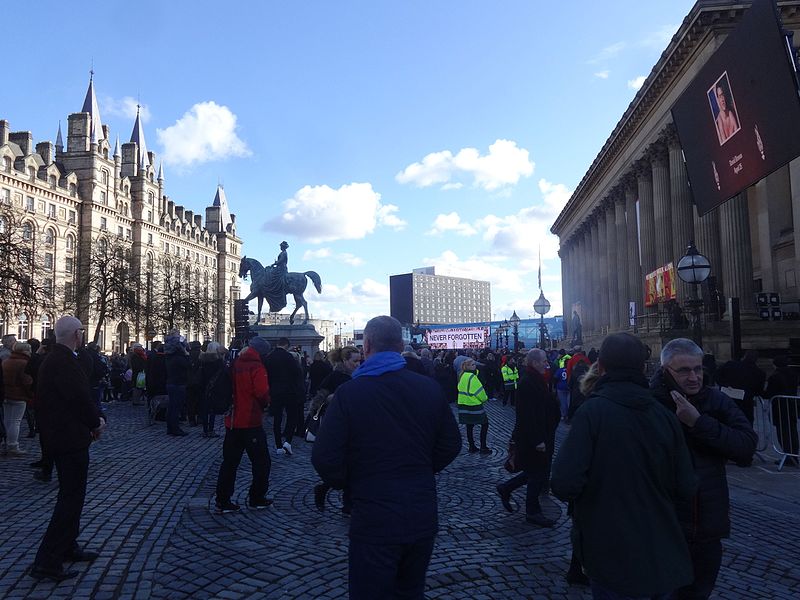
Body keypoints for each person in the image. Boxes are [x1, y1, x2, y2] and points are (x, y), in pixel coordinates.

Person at [311, 316, 461, 600]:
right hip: (421, 513)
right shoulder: (428, 388)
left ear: (366, 346)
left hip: (373, 516)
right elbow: (451, 444)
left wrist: (353, 483)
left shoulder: (350, 393)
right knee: (410, 591)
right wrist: (421, 468)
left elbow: (324, 457)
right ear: (402, 345)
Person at [551, 333, 696, 598]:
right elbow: (686, 485)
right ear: (643, 368)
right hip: (659, 544)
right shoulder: (665, 415)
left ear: (602, 367)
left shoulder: (592, 413)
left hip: (608, 547)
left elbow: (563, 482)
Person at [650, 338, 757, 599]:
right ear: (666, 371)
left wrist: (698, 423)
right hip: (665, 527)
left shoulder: (716, 400)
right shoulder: (651, 405)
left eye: (698, 369)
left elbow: (746, 445)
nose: (694, 377)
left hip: (707, 525)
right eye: (684, 371)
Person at [30, 316, 105, 582]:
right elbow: (79, 397)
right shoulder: (63, 361)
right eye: (82, 332)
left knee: (73, 496)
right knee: (69, 500)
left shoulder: (56, 358)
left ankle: (67, 546)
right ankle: (47, 561)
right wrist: (96, 422)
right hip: (67, 439)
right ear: (77, 334)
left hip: (62, 436)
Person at [496, 349, 560, 527]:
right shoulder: (527, 382)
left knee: (534, 471)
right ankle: (532, 511)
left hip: (542, 433)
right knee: (538, 473)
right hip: (534, 436)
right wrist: (537, 440)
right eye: (543, 361)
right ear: (534, 362)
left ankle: (506, 488)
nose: (546, 364)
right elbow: (527, 415)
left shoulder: (537, 379)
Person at [214, 336, 272, 513]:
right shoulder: (256, 366)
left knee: (229, 463)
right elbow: (262, 392)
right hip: (250, 420)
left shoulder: (234, 363)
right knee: (262, 462)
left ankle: (222, 500)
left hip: (232, 421)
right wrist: (266, 403)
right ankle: (257, 497)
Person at [310, 345, 361, 512]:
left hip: (355, 425)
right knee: (346, 465)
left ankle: (347, 503)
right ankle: (327, 490)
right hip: (338, 426)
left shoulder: (359, 376)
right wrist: (332, 399)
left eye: (359, 360)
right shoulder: (334, 377)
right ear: (345, 361)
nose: (358, 364)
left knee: (353, 464)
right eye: (355, 361)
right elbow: (317, 402)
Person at [265, 336, 304, 456]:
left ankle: (278, 445)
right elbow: (298, 374)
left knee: (277, 419)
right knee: (292, 416)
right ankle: (288, 441)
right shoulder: (289, 357)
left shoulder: (269, 357)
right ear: (287, 345)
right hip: (290, 391)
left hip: (275, 391)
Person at [764, 355, 799, 467]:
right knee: (792, 430)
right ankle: (794, 454)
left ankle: (788, 455)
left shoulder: (775, 377)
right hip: (792, 405)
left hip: (780, 407)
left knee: (783, 432)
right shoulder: (794, 374)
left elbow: (769, 393)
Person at [2, 341, 34, 456]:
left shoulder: (6, 361)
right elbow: (27, 381)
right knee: (16, 422)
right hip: (18, 395)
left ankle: (5, 443)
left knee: (7, 420)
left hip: (6, 394)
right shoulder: (24, 363)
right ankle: (13, 445)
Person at [457, 357, 491, 453]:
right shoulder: (472, 377)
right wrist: (485, 398)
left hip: (464, 404)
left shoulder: (462, 376)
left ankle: (471, 446)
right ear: (468, 367)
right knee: (485, 424)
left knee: (469, 426)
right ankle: (483, 447)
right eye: (472, 365)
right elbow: (479, 392)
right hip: (474, 405)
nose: (475, 366)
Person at [198, 342, 227, 437]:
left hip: (203, 387)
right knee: (212, 411)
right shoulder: (218, 362)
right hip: (214, 388)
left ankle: (205, 430)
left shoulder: (202, 360)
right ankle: (211, 429)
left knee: (205, 410)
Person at [263, 241, 289, 312]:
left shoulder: (284, 253)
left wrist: (274, 263)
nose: (280, 247)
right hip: (279, 268)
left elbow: (280, 261)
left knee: (271, 276)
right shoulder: (282, 253)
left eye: (281, 246)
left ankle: (272, 289)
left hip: (281, 269)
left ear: (283, 247)